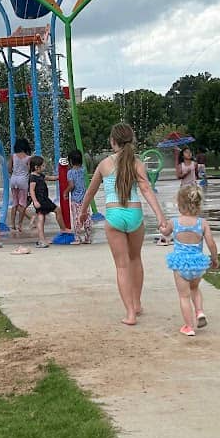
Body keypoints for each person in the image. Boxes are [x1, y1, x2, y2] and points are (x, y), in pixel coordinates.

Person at [81, 123, 170, 326]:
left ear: (113, 141)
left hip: (114, 215)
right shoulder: (137, 163)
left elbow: (90, 192)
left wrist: (83, 211)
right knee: (135, 259)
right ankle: (137, 304)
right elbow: (146, 189)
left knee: (122, 266)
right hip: (135, 213)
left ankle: (130, 314)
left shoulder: (104, 164)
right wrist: (160, 217)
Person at [165, 185, 219, 335]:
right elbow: (211, 243)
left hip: (180, 264)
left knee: (184, 296)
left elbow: (165, 232)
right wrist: (214, 259)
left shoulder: (174, 222)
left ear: (179, 204)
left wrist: (162, 227)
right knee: (195, 289)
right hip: (198, 264)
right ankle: (200, 311)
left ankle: (188, 327)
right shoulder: (202, 223)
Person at [26, 155, 57, 247]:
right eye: (43, 165)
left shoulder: (40, 175)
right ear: (36, 167)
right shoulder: (33, 177)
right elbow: (31, 190)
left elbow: (49, 178)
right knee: (41, 219)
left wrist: (58, 177)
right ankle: (41, 240)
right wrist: (35, 201)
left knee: (44, 218)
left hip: (44, 199)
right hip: (40, 201)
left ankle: (42, 239)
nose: (44, 167)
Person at [8, 136, 33, 237]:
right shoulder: (28, 158)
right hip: (23, 181)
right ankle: (20, 224)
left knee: (14, 203)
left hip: (14, 180)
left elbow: (9, 169)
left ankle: (12, 224)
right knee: (22, 204)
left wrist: (15, 173)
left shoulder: (13, 156)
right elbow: (30, 170)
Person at [66, 149, 91, 244]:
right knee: (86, 217)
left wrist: (65, 192)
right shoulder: (83, 170)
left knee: (77, 218)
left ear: (71, 161)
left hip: (75, 199)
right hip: (85, 199)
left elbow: (72, 185)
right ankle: (88, 238)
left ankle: (77, 238)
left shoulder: (70, 173)